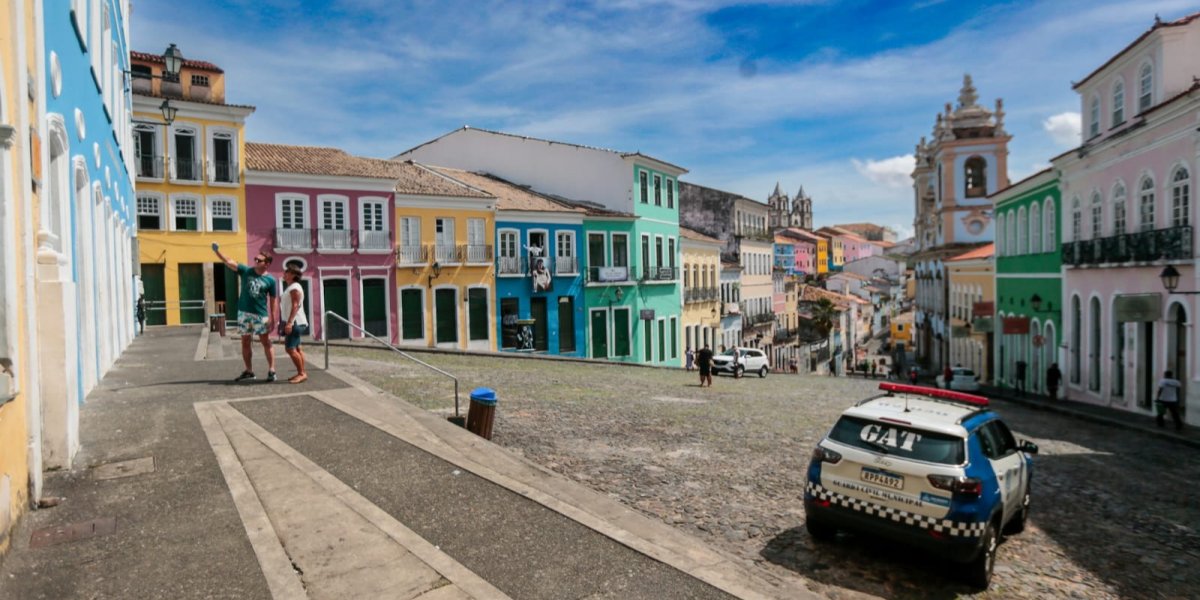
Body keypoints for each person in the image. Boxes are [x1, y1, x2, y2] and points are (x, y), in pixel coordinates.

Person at [213, 243, 278, 382]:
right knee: (245, 342)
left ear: (267, 264)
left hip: (261, 315)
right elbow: (229, 261)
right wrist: (217, 252)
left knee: (266, 342)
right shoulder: (246, 271)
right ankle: (249, 371)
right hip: (244, 314)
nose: (255, 261)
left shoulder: (271, 280)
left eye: (259, 260)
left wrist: (273, 317)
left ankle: (272, 370)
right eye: (255, 259)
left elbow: (273, 300)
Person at [280, 266, 309, 384]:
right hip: (298, 322)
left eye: (287, 272)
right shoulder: (292, 287)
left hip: (295, 322)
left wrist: (290, 322)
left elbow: (295, 305)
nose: (285, 273)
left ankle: (302, 373)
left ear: (292, 274)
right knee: (297, 348)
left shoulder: (294, 288)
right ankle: (301, 372)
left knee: (290, 349)